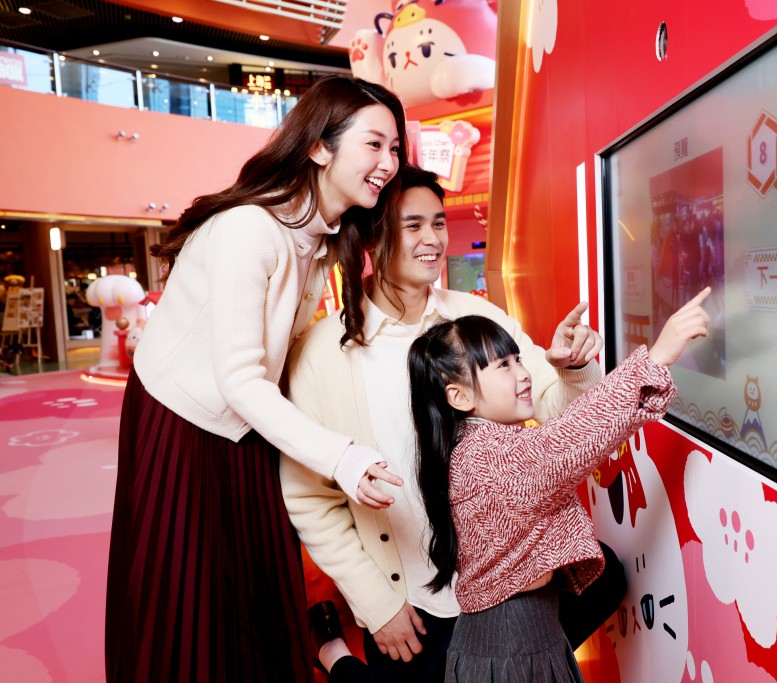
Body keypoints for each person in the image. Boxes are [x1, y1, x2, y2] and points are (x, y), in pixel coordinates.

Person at [105, 76, 409, 683]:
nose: (388, 163)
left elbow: (278, 368)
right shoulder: (250, 229)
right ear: (319, 146)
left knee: (256, 592)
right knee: (186, 598)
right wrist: (343, 457)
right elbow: (241, 378)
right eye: (374, 144)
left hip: (244, 424)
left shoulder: (317, 241)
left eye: (395, 148)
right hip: (181, 423)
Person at [280, 165, 620, 683]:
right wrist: (377, 605)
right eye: (412, 225)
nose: (432, 239)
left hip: (504, 590)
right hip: (415, 605)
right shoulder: (323, 352)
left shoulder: (476, 317)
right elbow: (311, 499)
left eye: (438, 223)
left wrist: (571, 367)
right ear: (372, 236)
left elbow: (551, 406)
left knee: (605, 576)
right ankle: (332, 651)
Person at [408, 289, 711, 682]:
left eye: (518, 359)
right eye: (503, 365)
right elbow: (569, 437)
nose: (523, 374)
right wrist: (655, 358)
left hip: (519, 631)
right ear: (460, 396)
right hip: (512, 641)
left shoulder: (474, 443)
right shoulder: (490, 456)